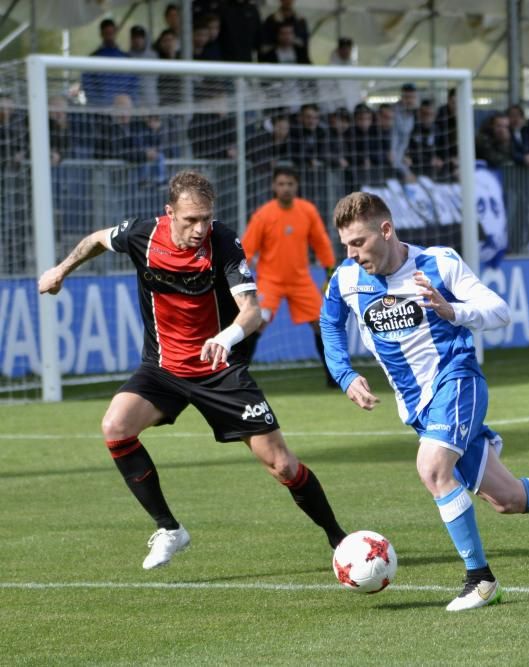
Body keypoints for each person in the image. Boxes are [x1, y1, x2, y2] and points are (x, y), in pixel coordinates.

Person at [321, 192, 529, 611]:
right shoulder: (347, 278)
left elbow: (499, 310)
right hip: (419, 409)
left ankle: (480, 579)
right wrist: (345, 374)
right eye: (345, 245)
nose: (350, 253)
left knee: (432, 467)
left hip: (457, 380)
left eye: (358, 243)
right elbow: (329, 324)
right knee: (508, 499)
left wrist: (452, 311)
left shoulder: (438, 263)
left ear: (386, 230)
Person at [37, 170, 349, 570]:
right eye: (190, 220)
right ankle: (169, 529)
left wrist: (227, 338)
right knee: (115, 426)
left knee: (283, 465)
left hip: (218, 371)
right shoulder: (142, 235)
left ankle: (339, 540)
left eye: (206, 217)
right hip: (162, 369)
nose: (201, 227)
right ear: (169, 213)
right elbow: (97, 239)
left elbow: (252, 312)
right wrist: (61, 269)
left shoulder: (222, 240)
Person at [242, 167, 338, 387]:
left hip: (300, 280)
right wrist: (238, 279)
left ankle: (334, 377)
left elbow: (321, 243)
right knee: (257, 322)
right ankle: (237, 376)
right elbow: (246, 249)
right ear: (274, 187)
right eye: (281, 184)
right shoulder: (263, 215)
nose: (286, 188)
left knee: (321, 324)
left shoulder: (307, 211)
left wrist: (330, 271)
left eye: (290, 184)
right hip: (270, 280)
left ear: (297, 186)